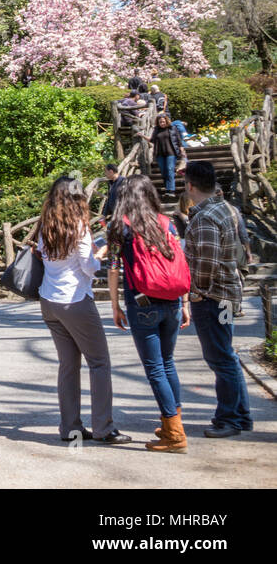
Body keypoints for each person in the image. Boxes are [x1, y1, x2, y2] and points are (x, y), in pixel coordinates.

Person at [35, 175, 130, 444]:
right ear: (78, 198)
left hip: (49, 300)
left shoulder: (46, 226)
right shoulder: (79, 227)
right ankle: (104, 427)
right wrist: (99, 257)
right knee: (99, 362)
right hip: (75, 300)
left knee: (68, 365)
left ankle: (70, 427)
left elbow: (45, 258)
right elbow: (88, 267)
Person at [108, 174, 190, 452]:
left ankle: (174, 434)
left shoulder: (120, 226)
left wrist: (115, 305)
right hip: (173, 299)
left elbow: (113, 267)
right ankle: (171, 423)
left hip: (142, 302)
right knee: (167, 362)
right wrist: (186, 302)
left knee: (155, 367)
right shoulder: (169, 223)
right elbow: (179, 262)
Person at [183, 161, 252, 437]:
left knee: (221, 358)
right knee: (226, 356)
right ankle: (241, 415)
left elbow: (207, 264)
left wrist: (196, 293)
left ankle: (230, 419)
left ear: (190, 186)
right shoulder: (225, 208)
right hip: (225, 295)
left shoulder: (205, 217)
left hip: (213, 298)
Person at [151, 114, 186, 195]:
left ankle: (171, 190)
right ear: (158, 123)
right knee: (164, 172)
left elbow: (178, 139)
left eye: (163, 121)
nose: (162, 123)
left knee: (170, 170)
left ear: (166, 121)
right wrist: (142, 136)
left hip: (171, 152)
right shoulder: (156, 130)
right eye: (160, 122)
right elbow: (152, 140)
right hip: (160, 154)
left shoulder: (172, 128)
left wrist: (181, 148)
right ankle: (167, 188)